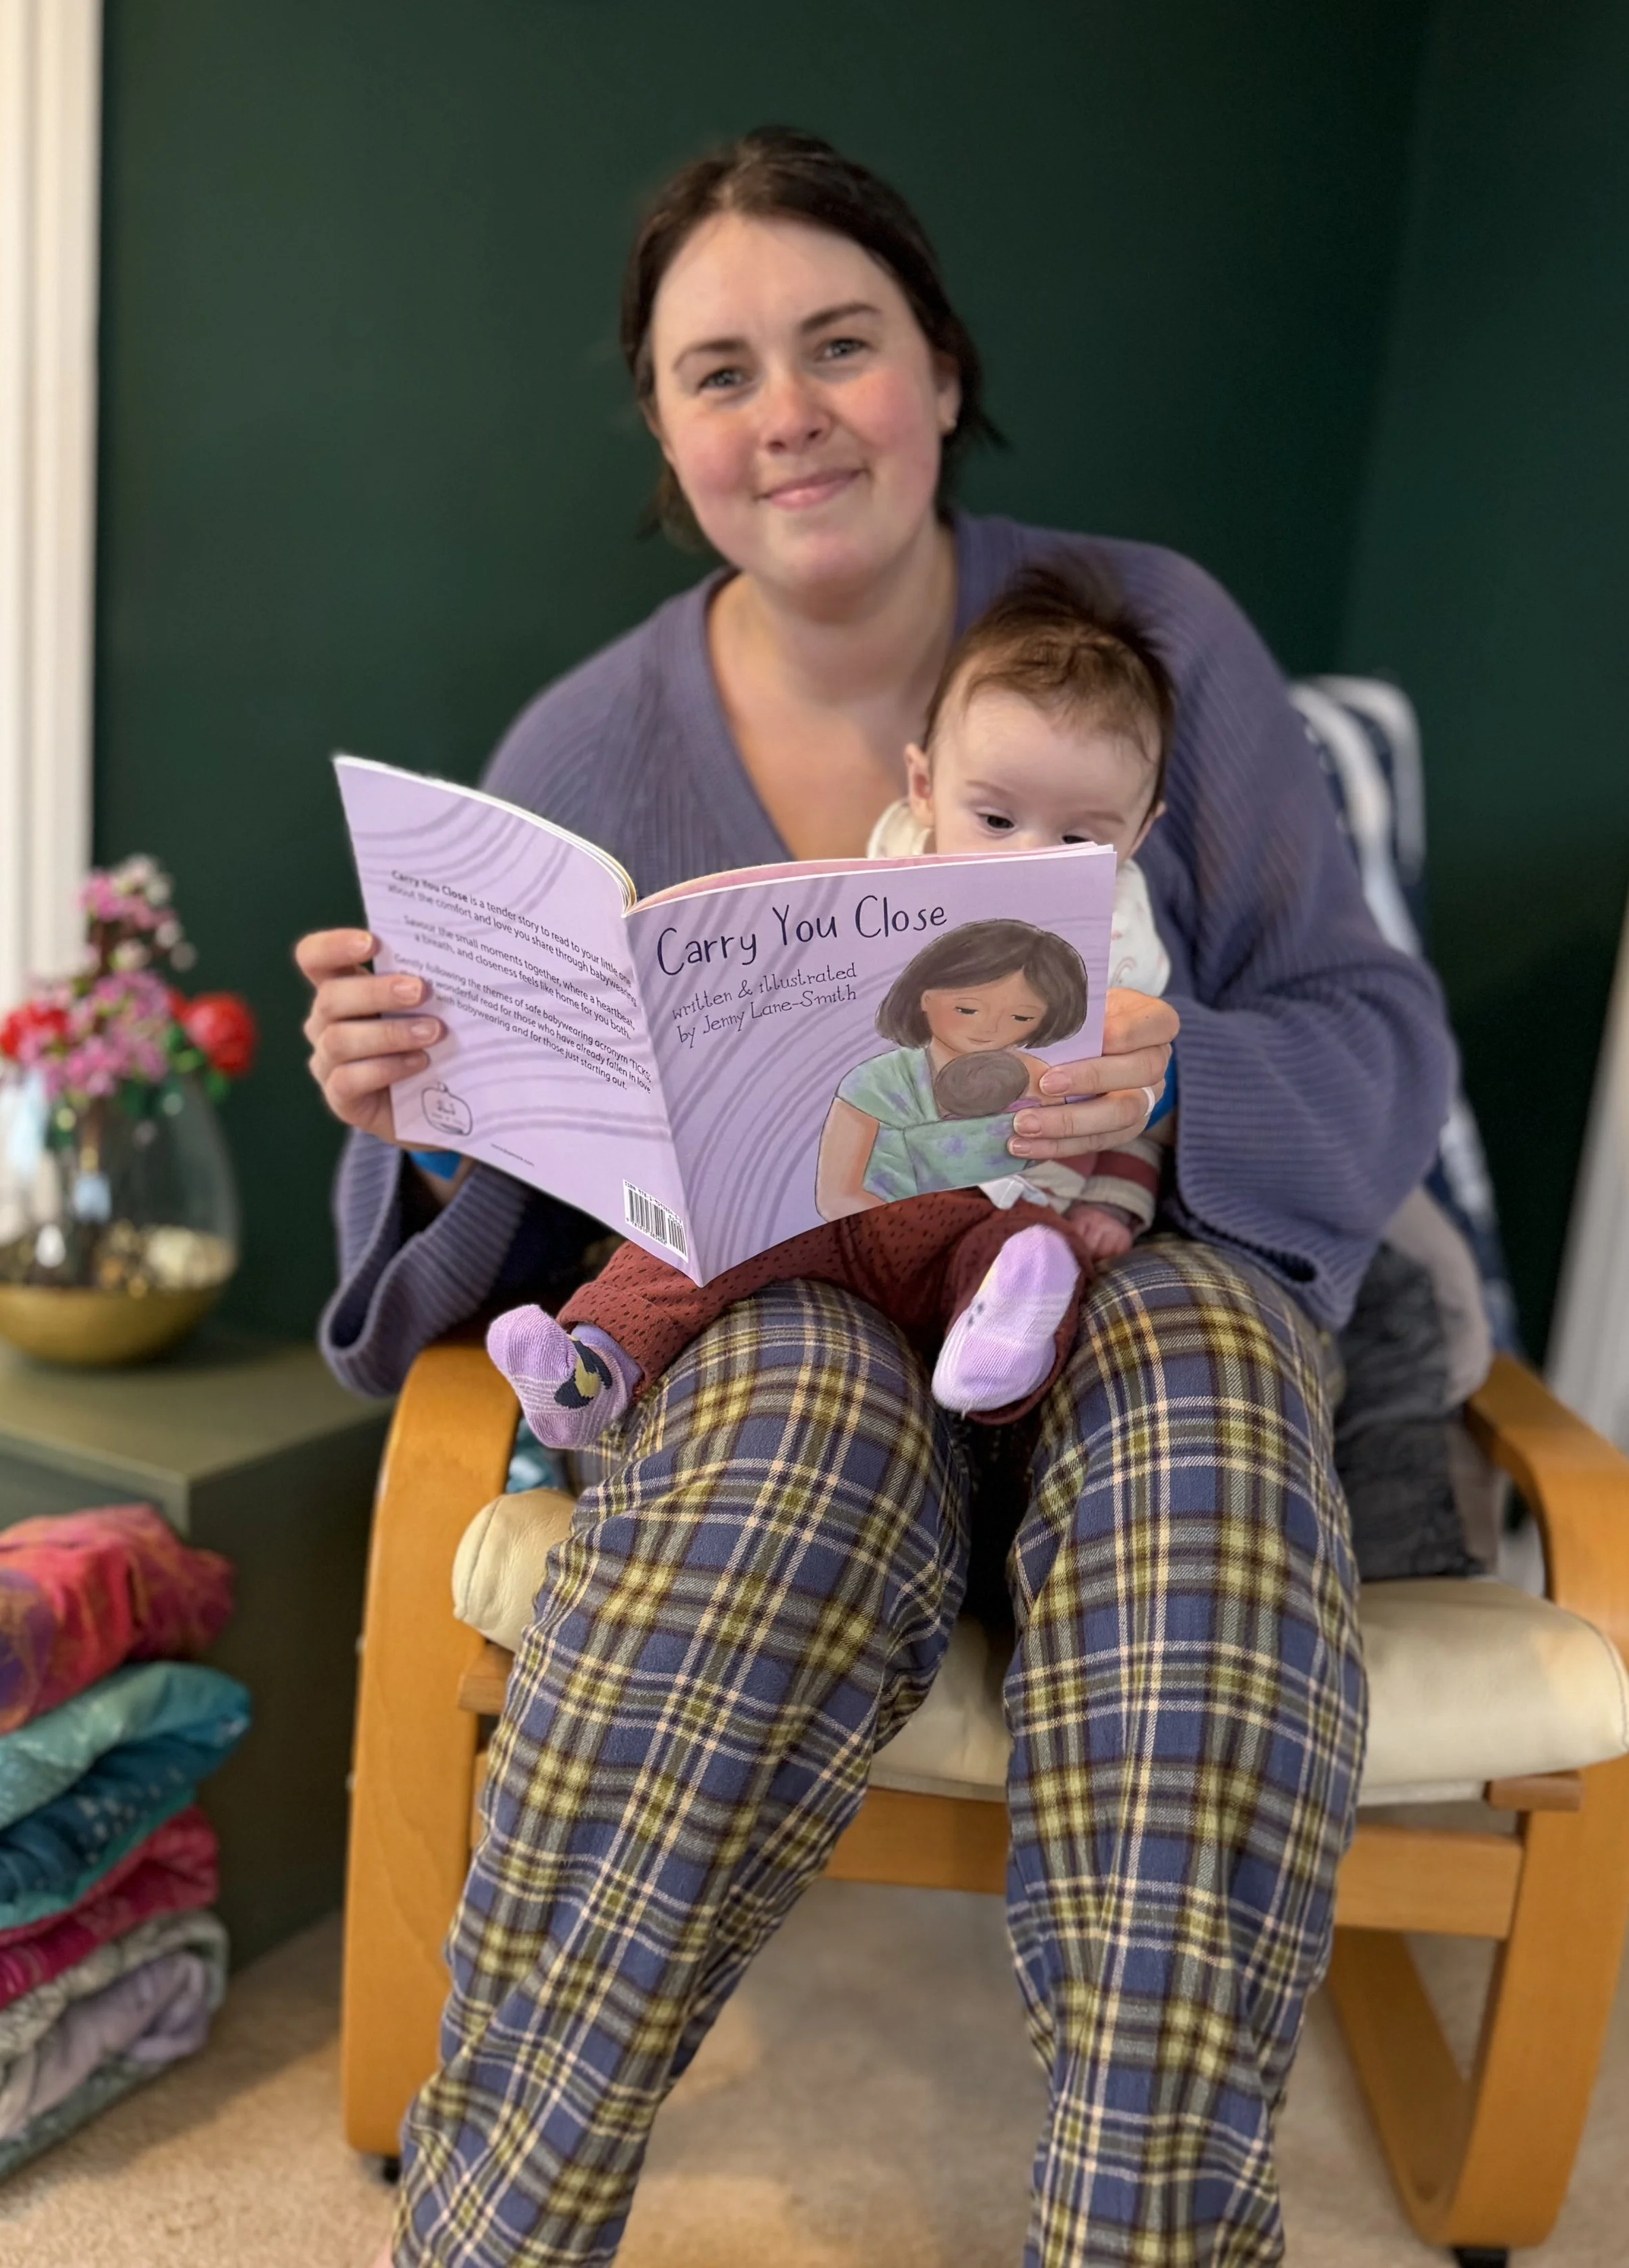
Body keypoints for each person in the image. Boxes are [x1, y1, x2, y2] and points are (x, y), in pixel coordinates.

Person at [298, 127, 1453, 2268]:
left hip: (1124, 1279)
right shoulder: (581, 749)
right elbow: (517, 1207)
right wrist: (423, 1106)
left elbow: (1371, 1031)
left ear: (939, 369)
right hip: (797, 1326)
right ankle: (496, 2221)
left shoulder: (1151, 637)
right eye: (716, 370)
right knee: (791, 1405)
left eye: (840, 343)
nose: (788, 412)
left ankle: (1147, 2232)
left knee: (1200, 1394)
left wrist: (1182, 1065)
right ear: (665, 434)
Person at [487, 568, 1176, 1448]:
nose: (1032, 857)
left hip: (985, 1206)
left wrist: (1114, 1201)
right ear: (924, 788)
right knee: (706, 1232)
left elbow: (1146, 1107)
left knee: (1026, 1251)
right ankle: (594, 1366)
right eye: (997, 821)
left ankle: (1001, 1337)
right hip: (820, 1202)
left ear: (1141, 831)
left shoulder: (1122, 944)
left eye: (1080, 838)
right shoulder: (882, 886)